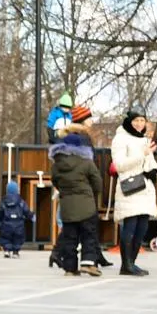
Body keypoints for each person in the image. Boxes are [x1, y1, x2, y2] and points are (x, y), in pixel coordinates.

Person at [49, 117, 105, 276]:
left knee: (70, 237)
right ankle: (88, 263)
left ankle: (70, 268)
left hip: (67, 206)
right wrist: (92, 193)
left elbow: (55, 181)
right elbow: (97, 182)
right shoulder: (86, 162)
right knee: (89, 234)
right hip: (86, 205)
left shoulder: (57, 165)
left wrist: (65, 191)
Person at [111, 104, 157, 276]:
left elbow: (151, 161)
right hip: (130, 186)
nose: (139, 124)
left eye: (142, 120)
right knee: (130, 226)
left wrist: (154, 170)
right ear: (130, 121)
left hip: (145, 188)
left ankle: (132, 262)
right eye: (136, 120)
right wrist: (142, 154)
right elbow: (119, 165)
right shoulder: (120, 139)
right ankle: (126, 264)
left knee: (142, 228)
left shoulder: (144, 140)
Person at [0, 180, 33, 256]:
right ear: (17, 190)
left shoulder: (4, 201)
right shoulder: (21, 201)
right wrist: (31, 216)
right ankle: (15, 252)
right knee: (18, 238)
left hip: (6, 223)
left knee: (5, 237)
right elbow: (26, 210)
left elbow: (0, 211)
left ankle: (6, 250)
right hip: (19, 224)